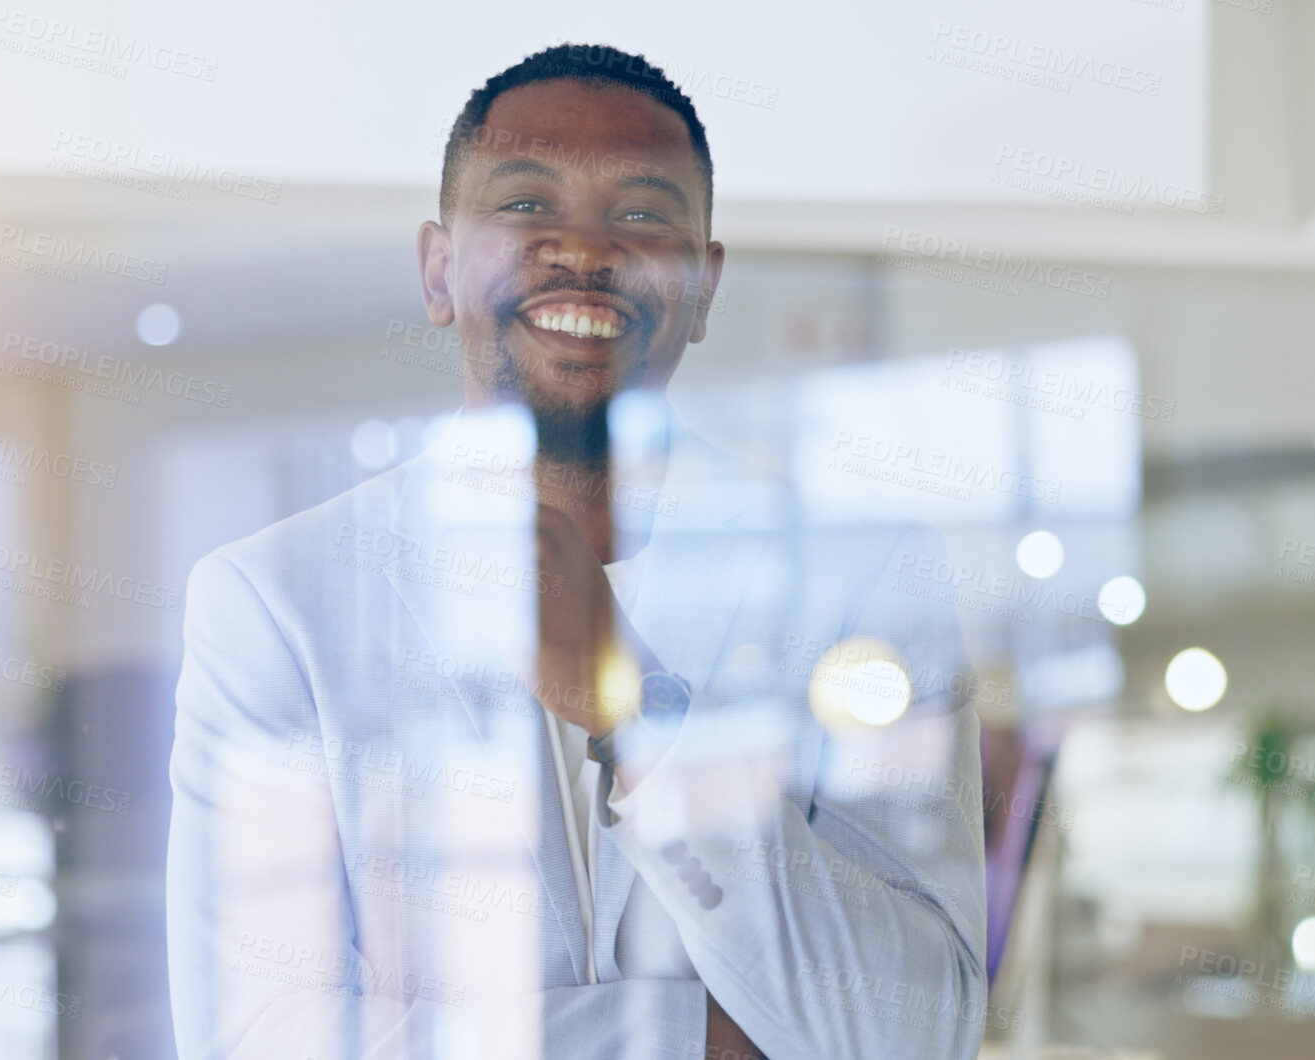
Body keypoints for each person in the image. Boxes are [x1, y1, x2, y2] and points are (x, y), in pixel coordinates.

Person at [168, 43, 987, 1059]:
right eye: (524, 206)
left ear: (701, 287)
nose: (585, 250)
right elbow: (256, 1034)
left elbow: (917, 1030)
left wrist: (637, 711)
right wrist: (696, 1039)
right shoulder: (273, 601)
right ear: (437, 269)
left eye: (642, 213)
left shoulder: (868, 576)